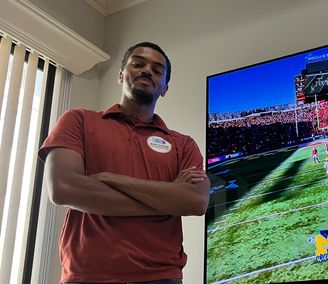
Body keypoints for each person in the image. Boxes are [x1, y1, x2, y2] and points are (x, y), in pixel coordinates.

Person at [38, 42, 209, 284]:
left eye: (157, 70)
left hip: (162, 276)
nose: (147, 70)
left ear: (165, 88)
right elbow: (63, 188)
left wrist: (111, 179)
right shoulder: (78, 120)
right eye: (138, 64)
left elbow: (196, 201)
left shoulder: (183, 144)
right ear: (120, 75)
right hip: (87, 275)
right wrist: (168, 201)